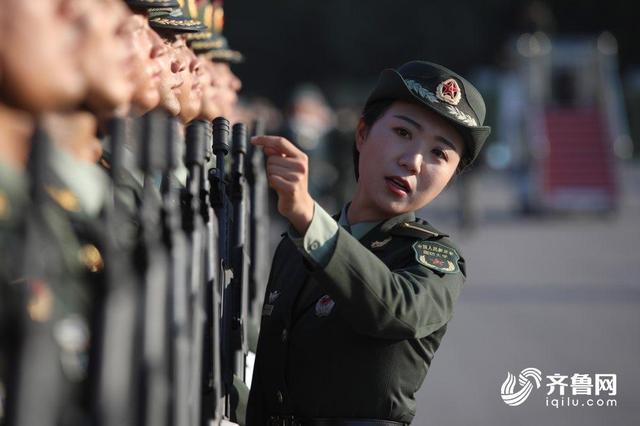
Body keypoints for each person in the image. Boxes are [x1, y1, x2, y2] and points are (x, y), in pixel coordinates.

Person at [246, 60, 491, 426]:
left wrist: (311, 219)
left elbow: (392, 309)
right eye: (403, 133)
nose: (413, 161)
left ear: (451, 178)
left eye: (439, 154)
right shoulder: (295, 245)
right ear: (362, 134)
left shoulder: (434, 261)